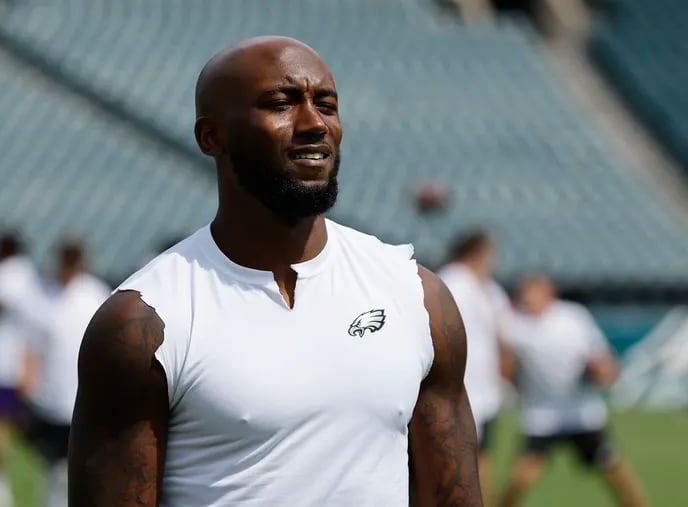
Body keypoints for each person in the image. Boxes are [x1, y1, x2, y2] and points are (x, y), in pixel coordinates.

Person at [69, 36, 483, 506]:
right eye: (281, 103)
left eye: (326, 104)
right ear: (212, 137)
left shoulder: (415, 296)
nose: (313, 123)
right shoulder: (146, 324)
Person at [499, 273, 649, 507]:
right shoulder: (514, 325)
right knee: (521, 478)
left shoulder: (573, 317)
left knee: (616, 473)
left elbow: (599, 357)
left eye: (533, 291)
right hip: (542, 415)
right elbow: (505, 365)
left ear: (549, 292)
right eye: (525, 292)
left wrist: (602, 371)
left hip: (581, 413)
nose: (528, 297)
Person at [20, 240, 110, 507]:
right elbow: (33, 344)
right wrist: (27, 379)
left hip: (84, 396)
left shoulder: (95, 293)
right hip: (51, 395)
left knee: (79, 466)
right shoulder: (43, 295)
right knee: (56, 467)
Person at [0, 232, 48, 507]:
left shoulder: (7, 274)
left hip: (0, 363)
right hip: (21, 362)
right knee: (18, 430)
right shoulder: (30, 274)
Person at [438, 230, 512, 505]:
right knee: (456, 465)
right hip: (460, 390)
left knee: (480, 461)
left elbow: (504, 336)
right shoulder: (453, 281)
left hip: (484, 393)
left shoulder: (488, 288)